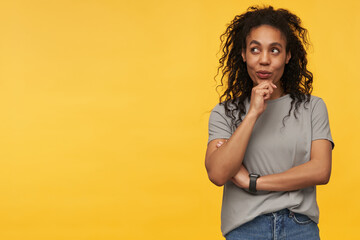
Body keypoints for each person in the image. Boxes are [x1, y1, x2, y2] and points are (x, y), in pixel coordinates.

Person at [205, 5, 335, 240]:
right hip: (245, 229)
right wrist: (253, 113)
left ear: (287, 56)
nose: (264, 60)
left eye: (274, 50)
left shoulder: (312, 107)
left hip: (299, 227)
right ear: (244, 53)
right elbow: (217, 173)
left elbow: (321, 170)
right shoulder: (225, 112)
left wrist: (252, 182)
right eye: (255, 49)